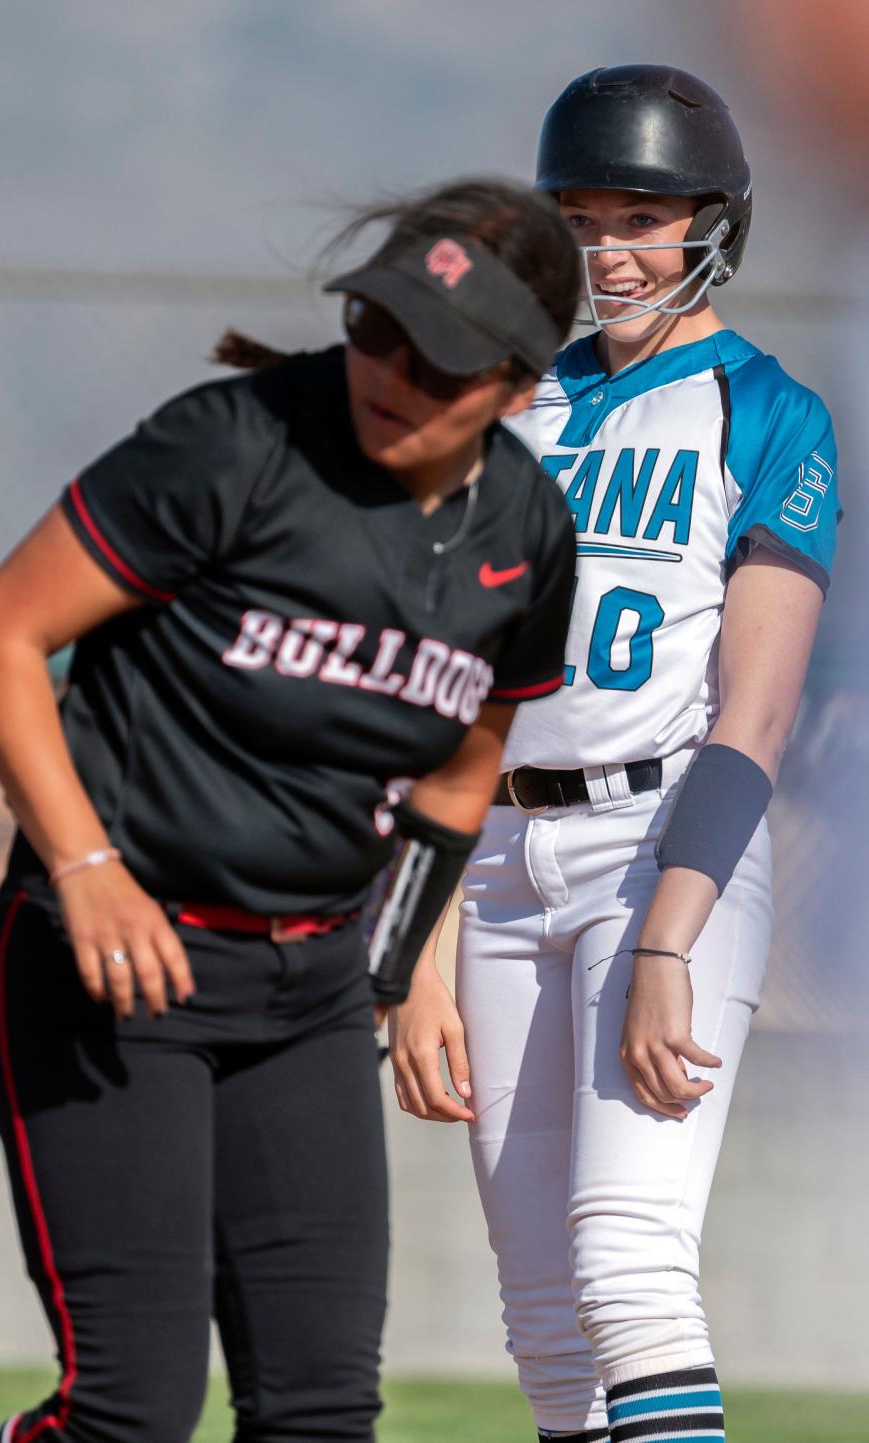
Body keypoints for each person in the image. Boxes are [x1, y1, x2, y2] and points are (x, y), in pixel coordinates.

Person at [0, 177, 580, 1443]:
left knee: (319, 1414)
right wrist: (82, 864)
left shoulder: (526, 529)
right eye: (376, 327)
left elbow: (466, 769)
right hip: (118, 969)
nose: (390, 371)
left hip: (307, 994)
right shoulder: (235, 445)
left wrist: (390, 973)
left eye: (441, 359)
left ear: (517, 389)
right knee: (128, 1413)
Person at [389, 66, 840, 1443]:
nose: (609, 249)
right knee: (540, 1314)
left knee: (629, 1266)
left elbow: (752, 719)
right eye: (582, 217)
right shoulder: (508, 401)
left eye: (641, 216)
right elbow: (444, 693)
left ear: (713, 222)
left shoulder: (767, 413)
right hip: (499, 856)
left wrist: (665, 941)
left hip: (666, 850)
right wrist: (415, 945)